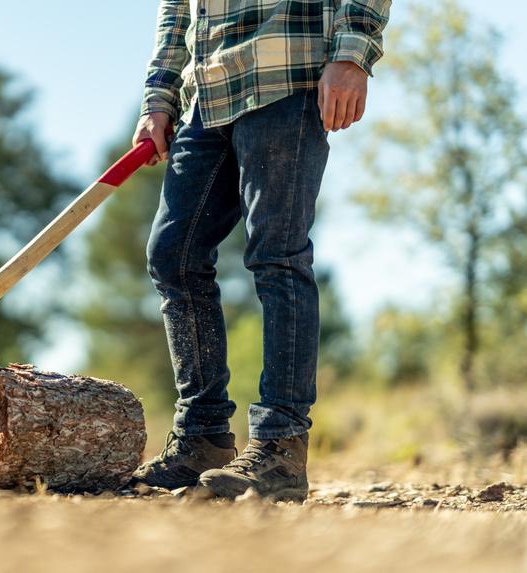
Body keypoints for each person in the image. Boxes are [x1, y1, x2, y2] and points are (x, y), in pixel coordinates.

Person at [130, 0, 391, 501]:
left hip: (284, 71)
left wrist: (352, 53)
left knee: (278, 254)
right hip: (205, 94)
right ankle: (202, 436)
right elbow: (175, 10)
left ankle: (280, 445)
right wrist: (157, 98)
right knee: (172, 256)